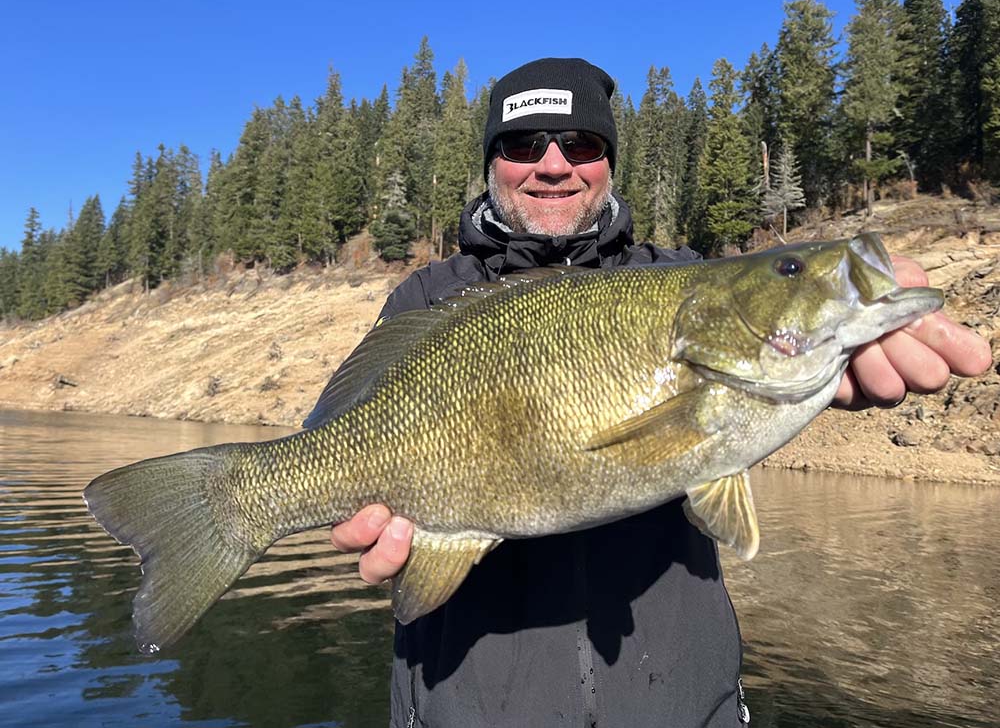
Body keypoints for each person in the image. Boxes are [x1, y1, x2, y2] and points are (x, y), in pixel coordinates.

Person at [310, 58, 992, 726]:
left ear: (608, 160)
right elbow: (330, 438)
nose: (554, 164)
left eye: (580, 143)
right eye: (523, 145)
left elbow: (743, 408)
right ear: (492, 162)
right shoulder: (428, 298)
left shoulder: (685, 276)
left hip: (683, 705)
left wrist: (842, 350)